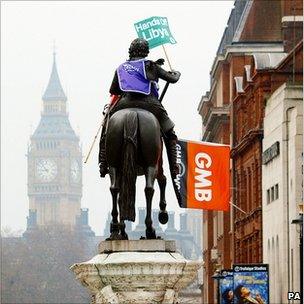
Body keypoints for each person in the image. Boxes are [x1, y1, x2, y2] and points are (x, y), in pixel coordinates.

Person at [99, 38, 181, 179]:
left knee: (106, 126)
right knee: (169, 131)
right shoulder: (150, 65)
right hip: (149, 103)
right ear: (146, 51)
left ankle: (103, 162)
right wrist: (176, 73)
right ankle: (174, 167)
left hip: (124, 103)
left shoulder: (121, 68)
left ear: (131, 50)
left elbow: (113, 90)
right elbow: (172, 79)